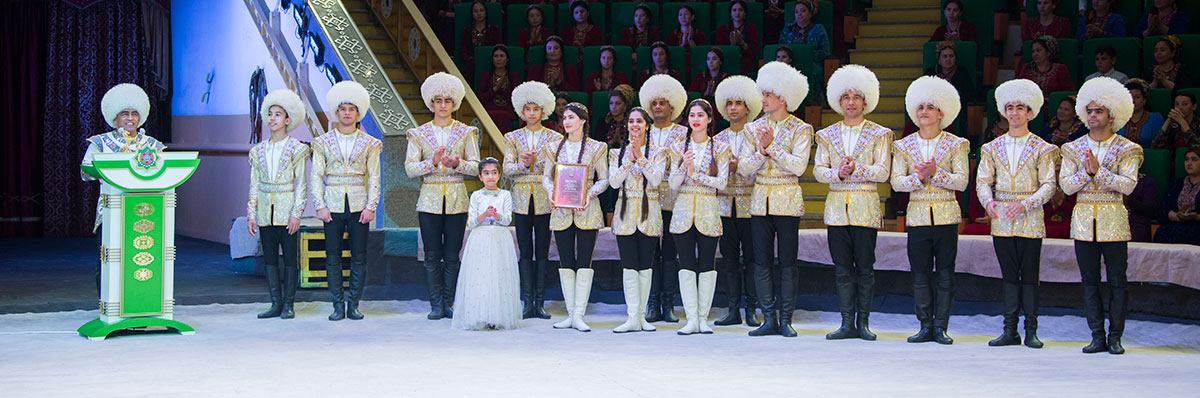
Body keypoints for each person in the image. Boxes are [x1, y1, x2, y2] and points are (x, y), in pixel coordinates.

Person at [1059, 76, 1141, 355]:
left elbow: (1128, 185)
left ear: (1111, 114)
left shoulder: (1128, 148)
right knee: (1089, 280)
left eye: (1099, 111)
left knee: (1118, 280)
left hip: (1114, 218)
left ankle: (1115, 336)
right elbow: (1067, 186)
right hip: (1083, 220)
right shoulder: (1072, 148)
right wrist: (1087, 172)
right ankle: (1097, 336)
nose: (1093, 116)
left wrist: (1100, 172)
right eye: (1090, 111)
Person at [977, 78, 1058, 349]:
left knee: (1030, 274)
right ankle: (1009, 329)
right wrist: (989, 203)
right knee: (1009, 275)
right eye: (1010, 107)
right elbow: (982, 182)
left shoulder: (1043, 148)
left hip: (1030, 217)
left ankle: (1031, 330)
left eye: (1020, 107)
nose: (1014, 112)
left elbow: (1049, 184)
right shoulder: (991, 148)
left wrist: (1025, 205)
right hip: (1001, 218)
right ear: (1003, 111)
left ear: (1030, 112)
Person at [815, 65, 893, 341]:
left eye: (856, 96)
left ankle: (864, 323)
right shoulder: (826, 134)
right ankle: (847, 322)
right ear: (838, 101)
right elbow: (818, 170)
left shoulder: (879, 133)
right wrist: (838, 172)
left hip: (865, 205)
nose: (851, 101)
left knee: (865, 265)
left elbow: (883, 171)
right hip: (837, 207)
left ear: (865, 101)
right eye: (846, 96)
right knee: (842, 266)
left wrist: (856, 169)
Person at [892, 76, 969, 345]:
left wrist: (936, 174)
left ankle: (941, 326)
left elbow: (961, 181)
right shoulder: (902, 145)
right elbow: (896, 182)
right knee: (920, 272)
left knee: (946, 271)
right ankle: (925, 324)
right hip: (917, 216)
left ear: (941, 113)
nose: (924, 111)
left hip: (946, 215)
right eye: (920, 107)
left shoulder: (957, 144)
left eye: (930, 107)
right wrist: (920, 178)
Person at [740, 61, 814, 337]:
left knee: (787, 261)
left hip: (787, 199)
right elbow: (746, 168)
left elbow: (798, 167)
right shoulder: (752, 129)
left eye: (767, 95)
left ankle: (786, 318)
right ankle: (768, 317)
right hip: (760, 199)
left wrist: (772, 147)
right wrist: (762, 152)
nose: (763, 100)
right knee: (761, 261)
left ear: (782, 98)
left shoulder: (801, 128)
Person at [405, 73, 480, 321]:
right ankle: (435, 304)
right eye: (438, 100)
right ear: (431, 103)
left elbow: (477, 166)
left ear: (455, 103)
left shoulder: (466, 131)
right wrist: (432, 162)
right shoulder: (418, 133)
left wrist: (457, 162)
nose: (443, 105)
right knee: (432, 253)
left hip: (457, 197)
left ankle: (450, 302)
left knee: (452, 254)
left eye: (448, 100)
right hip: (429, 198)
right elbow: (410, 169)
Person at [82, 83, 166, 298]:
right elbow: (86, 173)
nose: (130, 118)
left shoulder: (152, 145)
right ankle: (108, 305)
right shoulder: (100, 143)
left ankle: (139, 302)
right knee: (110, 259)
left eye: (134, 113)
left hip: (146, 211)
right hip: (112, 210)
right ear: (114, 118)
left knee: (140, 258)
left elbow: (163, 173)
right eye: (124, 113)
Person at [312, 81, 383, 321]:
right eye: (342, 108)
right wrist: (319, 205)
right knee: (332, 255)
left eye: (351, 109)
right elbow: (316, 175)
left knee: (358, 255)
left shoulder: (371, 143)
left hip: (358, 204)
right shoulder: (322, 142)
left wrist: (371, 206)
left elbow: (374, 175)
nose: (346, 113)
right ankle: (336, 304)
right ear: (336, 111)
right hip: (331, 205)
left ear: (358, 112)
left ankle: (354, 303)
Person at [542, 102, 608, 332]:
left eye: (571, 117)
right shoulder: (552, 147)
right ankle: (570, 313)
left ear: (583, 120)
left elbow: (604, 179)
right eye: (564, 118)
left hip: (587, 208)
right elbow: (546, 178)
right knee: (565, 260)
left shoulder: (597, 147)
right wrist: (551, 193)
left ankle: (579, 314)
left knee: (584, 261)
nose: (567, 122)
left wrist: (588, 194)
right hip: (561, 209)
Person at [667, 99, 730, 335]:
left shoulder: (720, 147)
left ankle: (703, 318)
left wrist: (696, 175)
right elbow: (672, 184)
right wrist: (684, 168)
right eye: (692, 115)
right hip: (683, 209)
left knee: (707, 264)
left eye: (700, 115)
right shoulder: (677, 148)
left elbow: (722, 183)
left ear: (709, 119)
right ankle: (691, 318)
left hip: (708, 208)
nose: (695, 119)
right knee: (686, 264)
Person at [247, 89, 309, 320]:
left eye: (278, 114)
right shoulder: (257, 151)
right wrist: (251, 214)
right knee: (270, 258)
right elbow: (254, 184)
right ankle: (275, 303)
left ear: (287, 120)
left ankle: (289, 304)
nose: (272, 118)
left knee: (290, 257)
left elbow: (301, 184)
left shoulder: (297, 149)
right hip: (265, 212)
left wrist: (296, 214)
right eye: (270, 114)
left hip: (286, 210)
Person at [504, 81, 561, 320]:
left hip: (545, 197)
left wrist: (539, 163)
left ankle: (540, 301)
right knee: (525, 250)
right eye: (527, 108)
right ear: (521, 110)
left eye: (536, 109)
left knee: (543, 251)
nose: (531, 113)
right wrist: (522, 164)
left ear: (544, 111)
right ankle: (527, 301)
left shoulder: (555, 137)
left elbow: (560, 169)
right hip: (520, 197)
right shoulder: (512, 137)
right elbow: (507, 168)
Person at [610, 107, 667, 333]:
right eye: (631, 121)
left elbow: (655, 180)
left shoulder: (659, 152)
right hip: (625, 213)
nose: (635, 125)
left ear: (647, 125)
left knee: (646, 265)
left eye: (639, 121)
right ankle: (632, 316)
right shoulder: (616, 153)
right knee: (629, 266)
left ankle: (642, 317)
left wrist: (641, 159)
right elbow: (614, 183)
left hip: (649, 212)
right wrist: (627, 161)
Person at [639, 74, 690, 323]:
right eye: (654, 103)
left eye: (663, 102)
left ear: (672, 106)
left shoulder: (683, 133)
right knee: (650, 253)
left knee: (670, 252)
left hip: (673, 198)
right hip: (647, 200)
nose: (658, 107)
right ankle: (651, 303)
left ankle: (668, 303)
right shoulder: (642, 132)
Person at [712, 76, 763, 327]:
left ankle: (752, 308)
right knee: (729, 259)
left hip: (750, 204)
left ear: (748, 108)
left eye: (738, 103)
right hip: (724, 205)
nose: (733, 108)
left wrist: (738, 166)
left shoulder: (756, 135)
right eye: (729, 103)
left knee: (752, 259)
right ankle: (733, 308)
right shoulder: (717, 139)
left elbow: (761, 168)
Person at [452, 158, 521, 331]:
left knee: (498, 275)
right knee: (481, 276)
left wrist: (496, 216)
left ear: (499, 175)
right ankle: (480, 315)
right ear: (480, 177)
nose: (490, 177)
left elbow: (506, 220)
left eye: (494, 173)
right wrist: (485, 214)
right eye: (486, 173)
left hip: (499, 238)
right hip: (480, 238)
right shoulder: (476, 195)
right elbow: (472, 222)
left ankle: (497, 316)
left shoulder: (505, 194)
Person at [778, 0, 830, 91]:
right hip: (789, 64)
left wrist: (807, 56)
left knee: (811, 74)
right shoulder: (788, 28)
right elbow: (780, 47)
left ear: (810, 13)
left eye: (803, 11)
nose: (799, 14)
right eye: (796, 12)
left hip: (811, 64)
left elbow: (825, 51)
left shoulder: (818, 29)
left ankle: (813, 102)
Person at [1154, 145, 1200, 246]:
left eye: (1194, 160)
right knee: (1161, 232)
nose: (1189, 163)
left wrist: (1195, 217)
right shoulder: (1177, 183)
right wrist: (1176, 216)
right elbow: (1163, 207)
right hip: (1176, 224)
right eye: (1187, 160)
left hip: (1196, 226)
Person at [458, 1, 501, 88]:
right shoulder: (467, 31)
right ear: (472, 14)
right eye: (476, 11)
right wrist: (472, 59)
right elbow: (463, 51)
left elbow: (498, 48)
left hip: (490, 63)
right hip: (471, 64)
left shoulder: (494, 29)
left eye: (481, 10)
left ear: (485, 13)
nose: (479, 14)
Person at [926, 41, 976, 113]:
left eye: (951, 56)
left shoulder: (962, 73)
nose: (948, 59)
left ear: (955, 58)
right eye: (944, 56)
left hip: (957, 110)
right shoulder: (930, 73)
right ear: (939, 60)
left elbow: (969, 95)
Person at [479, 45, 519, 131]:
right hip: (489, 110)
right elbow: (480, 98)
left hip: (507, 111)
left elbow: (516, 100)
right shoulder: (485, 76)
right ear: (492, 59)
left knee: (504, 116)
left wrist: (503, 90)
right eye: (496, 56)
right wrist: (495, 89)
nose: (498, 59)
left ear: (507, 59)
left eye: (502, 56)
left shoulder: (514, 76)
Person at [717, 0, 761, 75]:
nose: (737, 13)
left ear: (744, 14)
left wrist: (742, 42)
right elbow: (719, 51)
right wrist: (732, 45)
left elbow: (754, 52)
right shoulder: (722, 29)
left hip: (745, 61)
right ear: (730, 14)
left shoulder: (751, 28)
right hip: (727, 61)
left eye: (740, 10)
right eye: (734, 10)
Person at [1117, 79, 1165, 147]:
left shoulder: (1155, 118)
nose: (1133, 101)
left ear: (1144, 100)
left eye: (1137, 97)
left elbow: (1159, 145)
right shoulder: (1117, 117)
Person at [1126, 173, 1157, 243]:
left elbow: (1149, 209)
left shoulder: (1146, 182)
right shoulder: (1112, 182)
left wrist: (1128, 199)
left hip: (1137, 224)